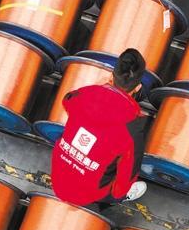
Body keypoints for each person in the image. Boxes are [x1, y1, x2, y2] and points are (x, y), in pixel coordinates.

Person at [51, 47, 148, 209]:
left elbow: (67, 100)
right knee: (122, 176)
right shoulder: (133, 126)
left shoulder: (83, 94)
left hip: (58, 176)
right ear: (138, 88)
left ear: (110, 77)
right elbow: (126, 177)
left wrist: (97, 89)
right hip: (86, 194)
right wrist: (118, 195)